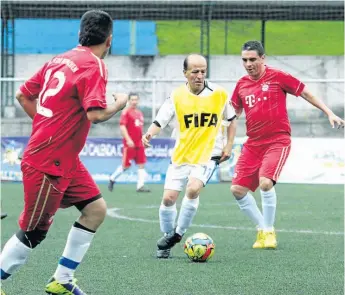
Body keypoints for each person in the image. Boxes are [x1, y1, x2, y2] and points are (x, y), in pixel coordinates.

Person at [0, 10, 128, 295]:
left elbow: (23, 95)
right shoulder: (94, 65)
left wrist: (48, 126)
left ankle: (62, 279)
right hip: (49, 162)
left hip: (63, 158)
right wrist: (119, 104)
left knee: (95, 210)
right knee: (34, 232)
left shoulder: (59, 59)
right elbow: (95, 114)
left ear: (80, 34)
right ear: (109, 40)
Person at [230, 40, 345, 250]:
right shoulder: (241, 84)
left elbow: (305, 93)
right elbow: (233, 113)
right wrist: (222, 130)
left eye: (253, 59)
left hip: (277, 140)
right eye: (245, 60)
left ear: (263, 58)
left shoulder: (278, 76)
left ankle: (269, 231)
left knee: (265, 183)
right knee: (237, 190)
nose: (248, 64)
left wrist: (329, 112)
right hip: (253, 144)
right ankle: (261, 229)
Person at [142, 54, 237, 258]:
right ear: (185, 73)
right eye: (195, 71)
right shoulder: (176, 96)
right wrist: (149, 133)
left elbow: (232, 119)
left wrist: (228, 146)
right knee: (168, 199)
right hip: (182, 154)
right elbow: (160, 121)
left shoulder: (219, 94)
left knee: (193, 189)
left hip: (209, 154)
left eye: (203, 71)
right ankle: (167, 238)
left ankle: (178, 234)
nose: (200, 75)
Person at [108, 92, 150, 193]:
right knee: (126, 166)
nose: (134, 102)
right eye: (132, 100)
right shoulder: (126, 112)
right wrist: (128, 139)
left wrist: (144, 139)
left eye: (136, 99)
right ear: (129, 101)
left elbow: (139, 129)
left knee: (141, 164)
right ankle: (112, 179)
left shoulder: (139, 113)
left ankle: (140, 186)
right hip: (130, 144)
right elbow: (122, 126)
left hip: (139, 143)